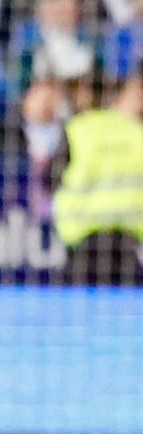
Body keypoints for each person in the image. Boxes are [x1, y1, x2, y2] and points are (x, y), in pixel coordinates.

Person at [51, 72, 143, 286]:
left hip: (84, 240)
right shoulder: (138, 133)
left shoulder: (78, 128)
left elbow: (51, 179)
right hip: (125, 243)